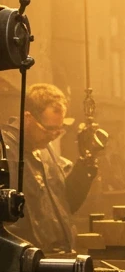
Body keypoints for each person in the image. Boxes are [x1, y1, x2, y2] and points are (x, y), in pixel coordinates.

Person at [5, 83, 100, 253]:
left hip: (54, 259)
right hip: (23, 264)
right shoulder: (5, 151)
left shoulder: (45, 150)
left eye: (58, 130)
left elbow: (66, 202)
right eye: (49, 129)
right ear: (28, 118)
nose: (52, 136)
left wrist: (85, 164)